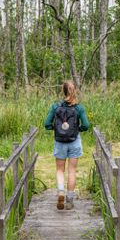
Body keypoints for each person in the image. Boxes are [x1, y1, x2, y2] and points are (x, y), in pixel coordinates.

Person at [44, 81, 90, 210]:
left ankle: (60, 192)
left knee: (60, 170)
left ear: (63, 91)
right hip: (74, 141)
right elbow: (86, 125)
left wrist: (56, 129)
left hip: (59, 142)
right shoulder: (79, 108)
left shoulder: (55, 106)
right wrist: (77, 130)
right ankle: (69, 201)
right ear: (74, 91)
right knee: (72, 171)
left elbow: (46, 124)